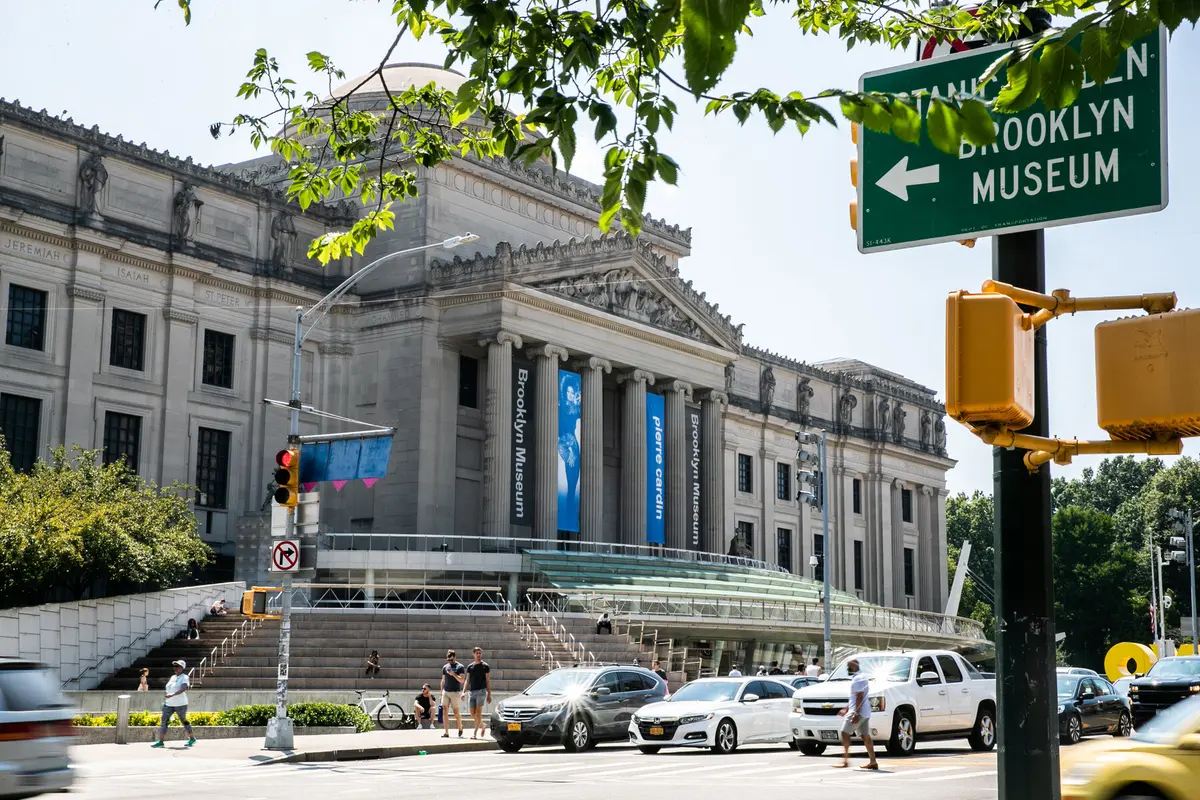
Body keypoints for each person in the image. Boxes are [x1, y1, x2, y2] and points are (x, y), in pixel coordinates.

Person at [833, 658, 878, 770]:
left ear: (854, 666)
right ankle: (873, 762)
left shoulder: (858, 678)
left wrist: (855, 713)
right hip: (864, 711)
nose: (847, 668)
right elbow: (856, 697)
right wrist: (846, 708)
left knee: (844, 732)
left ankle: (846, 761)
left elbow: (859, 696)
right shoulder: (860, 677)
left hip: (859, 712)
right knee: (865, 736)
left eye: (848, 666)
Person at [151, 660, 195, 748]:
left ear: (182, 668)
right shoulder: (173, 677)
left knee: (184, 721)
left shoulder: (184, 677)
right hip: (169, 704)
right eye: (174, 666)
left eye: (178, 666)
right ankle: (160, 741)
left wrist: (173, 694)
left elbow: (183, 688)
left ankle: (192, 738)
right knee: (164, 721)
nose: (175, 668)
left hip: (181, 704)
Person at [462, 646, 492, 740]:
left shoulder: (485, 666)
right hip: (472, 691)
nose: (478, 655)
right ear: (473, 654)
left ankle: (474, 733)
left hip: (481, 691)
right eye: (477, 653)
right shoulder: (470, 667)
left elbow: (487, 681)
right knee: (472, 713)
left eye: (480, 653)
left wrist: (489, 694)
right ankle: (482, 725)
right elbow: (467, 680)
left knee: (478, 712)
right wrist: (463, 692)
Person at [441, 650, 466, 738]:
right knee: (444, 709)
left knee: (456, 712)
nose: (450, 662)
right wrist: (441, 692)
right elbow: (443, 680)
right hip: (446, 691)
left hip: (455, 692)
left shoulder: (460, 667)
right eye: (448, 660)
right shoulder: (445, 667)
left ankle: (460, 725)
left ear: (455, 657)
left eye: (451, 660)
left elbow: (462, 680)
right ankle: (446, 732)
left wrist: (453, 674)